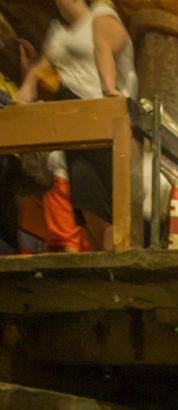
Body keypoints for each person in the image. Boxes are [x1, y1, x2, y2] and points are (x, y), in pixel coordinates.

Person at [14, 0, 138, 251]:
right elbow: (41, 69)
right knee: (88, 206)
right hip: (78, 129)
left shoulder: (101, 15)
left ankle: (114, 268)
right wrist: (22, 97)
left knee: (109, 204)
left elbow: (104, 48)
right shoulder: (59, 32)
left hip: (105, 122)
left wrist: (109, 89)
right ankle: (102, 271)